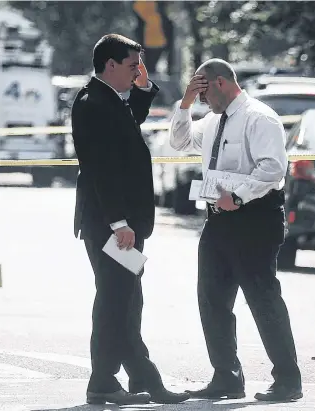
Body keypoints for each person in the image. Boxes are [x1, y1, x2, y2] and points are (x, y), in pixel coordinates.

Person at [169, 58, 303, 402]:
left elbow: (272, 169)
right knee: (211, 299)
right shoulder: (213, 121)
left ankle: (288, 380)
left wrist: (239, 197)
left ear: (220, 83)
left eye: (202, 90)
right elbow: (180, 142)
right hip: (219, 220)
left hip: (254, 219)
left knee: (262, 298)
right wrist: (184, 104)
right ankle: (226, 376)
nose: (201, 100)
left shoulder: (260, 118)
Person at [70, 34, 190, 406]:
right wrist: (118, 223)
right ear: (109, 64)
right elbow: (102, 169)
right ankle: (105, 381)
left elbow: (128, 123)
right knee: (115, 300)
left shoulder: (108, 99)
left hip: (120, 224)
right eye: (131, 66)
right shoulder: (94, 103)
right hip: (111, 226)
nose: (137, 71)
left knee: (127, 297)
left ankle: (139, 376)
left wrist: (143, 88)